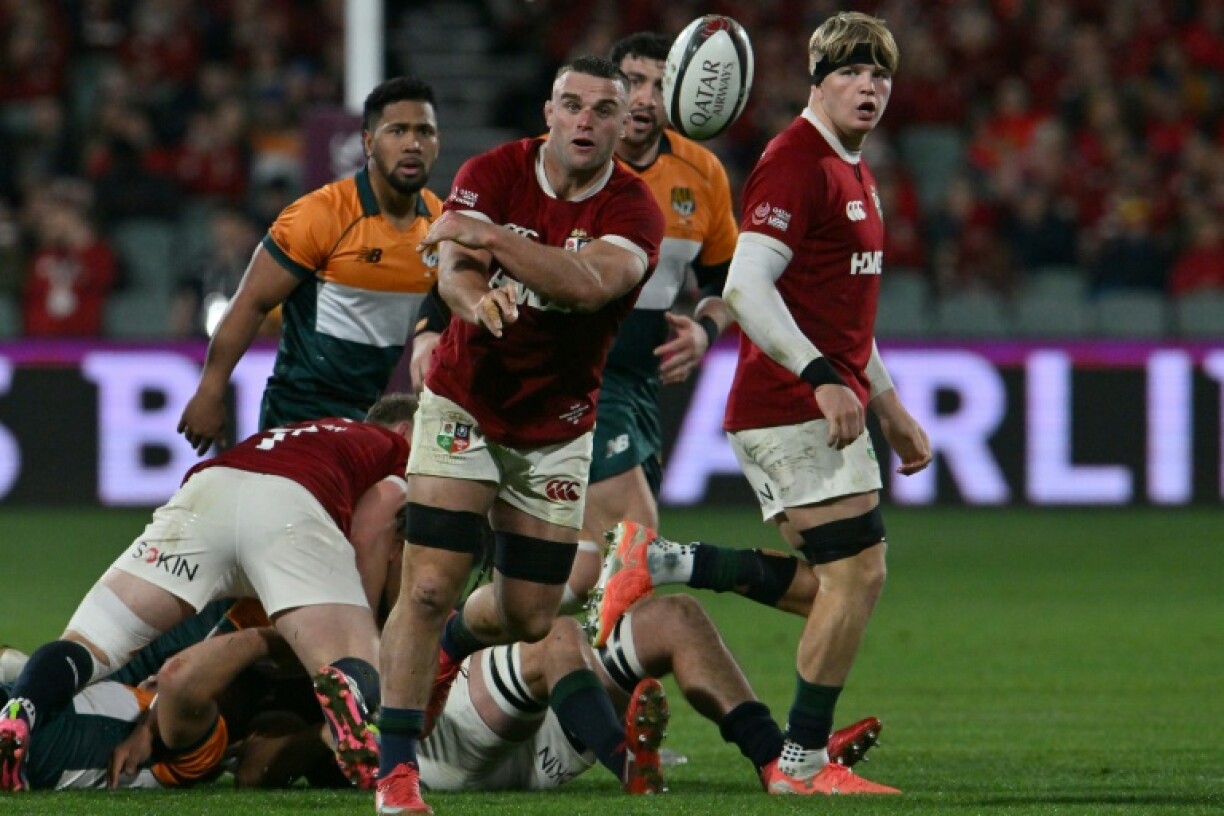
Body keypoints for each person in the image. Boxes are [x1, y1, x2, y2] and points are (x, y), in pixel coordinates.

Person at [591, 12, 932, 796]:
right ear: (817, 80)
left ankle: (673, 561)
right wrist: (819, 375)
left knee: (839, 585)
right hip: (789, 403)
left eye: (880, 73)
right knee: (858, 578)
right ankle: (803, 762)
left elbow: (843, 313)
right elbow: (744, 287)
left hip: (823, 399)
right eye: (850, 71)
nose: (868, 86)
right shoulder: (795, 161)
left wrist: (889, 403)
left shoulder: (854, 167)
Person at [375, 55, 665, 814]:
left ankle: (449, 652)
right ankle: (395, 772)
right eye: (572, 105)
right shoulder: (494, 169)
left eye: (604, 110)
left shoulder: (636, 211)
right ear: (549, 112)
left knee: (533, 614)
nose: (585, 121)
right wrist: (473, 302)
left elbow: (588, 283)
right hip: (465, 404)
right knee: (431, 582)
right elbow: (453, 266)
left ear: (619, 123)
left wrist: (490, 240)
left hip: (557, 428)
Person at [409, 32, 738, 610]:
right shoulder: (534, 162)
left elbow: (725, 283)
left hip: (640, 385)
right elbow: (468, 253)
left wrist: (707, 329)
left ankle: (509, 668)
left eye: (660, 85)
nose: (644, 97)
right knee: (636, 541)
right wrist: (428, 328)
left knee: (574, 584)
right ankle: (619, 684)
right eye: (632, 81)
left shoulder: (701, 175)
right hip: (580, 377)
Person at [0, 393, 420, 792]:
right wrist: (355, 624)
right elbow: (372, 527)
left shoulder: (308, 432)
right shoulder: (394, 454)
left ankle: (22, 708)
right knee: (358, 658)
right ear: (404, 429)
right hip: (289, 510)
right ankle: (351, 714)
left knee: (86, 645)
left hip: (206, 495)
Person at [177, 76, 442, 454]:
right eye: (397, 130)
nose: (413, 144)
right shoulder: (321, 215)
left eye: (425, 132)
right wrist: (209, 392)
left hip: (372, 417)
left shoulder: (440, 224)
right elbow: (251, 301)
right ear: (368, 142)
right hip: (300, 417)